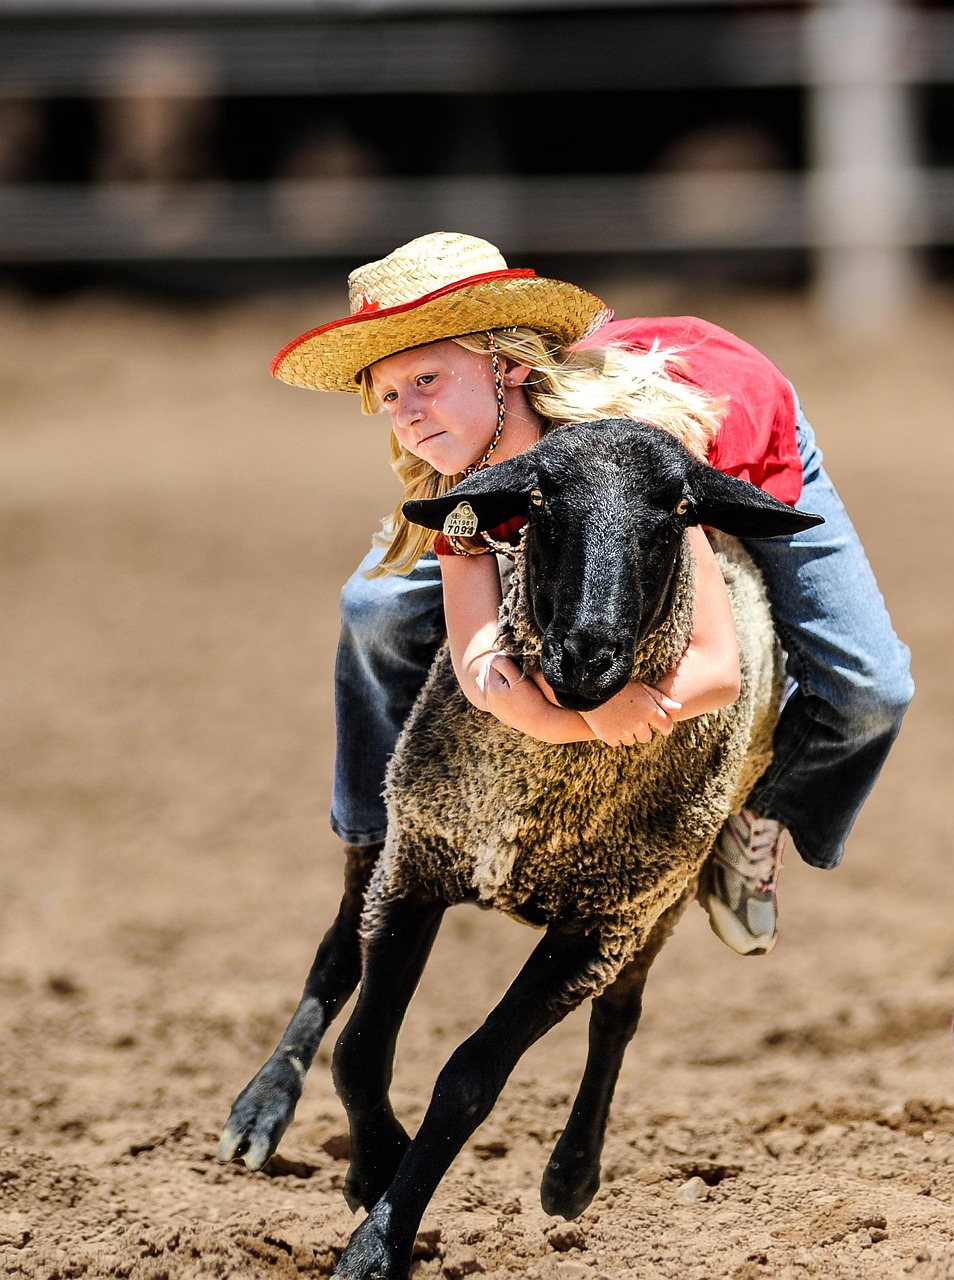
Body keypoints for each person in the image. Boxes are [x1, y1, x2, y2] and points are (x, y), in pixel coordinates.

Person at [270, 231, 914, 957]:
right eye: (390, 394)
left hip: (737, 436)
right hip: (519, 457)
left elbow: (715, 668)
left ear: (506, 364)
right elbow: (481, 648)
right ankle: (371, 829)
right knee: (374, 606)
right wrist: (559, 715)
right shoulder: (455, 455)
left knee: (872, 688)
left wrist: (606, 709)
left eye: (425, 379)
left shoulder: (629, 454)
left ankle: (761, 816)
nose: (407, 412)